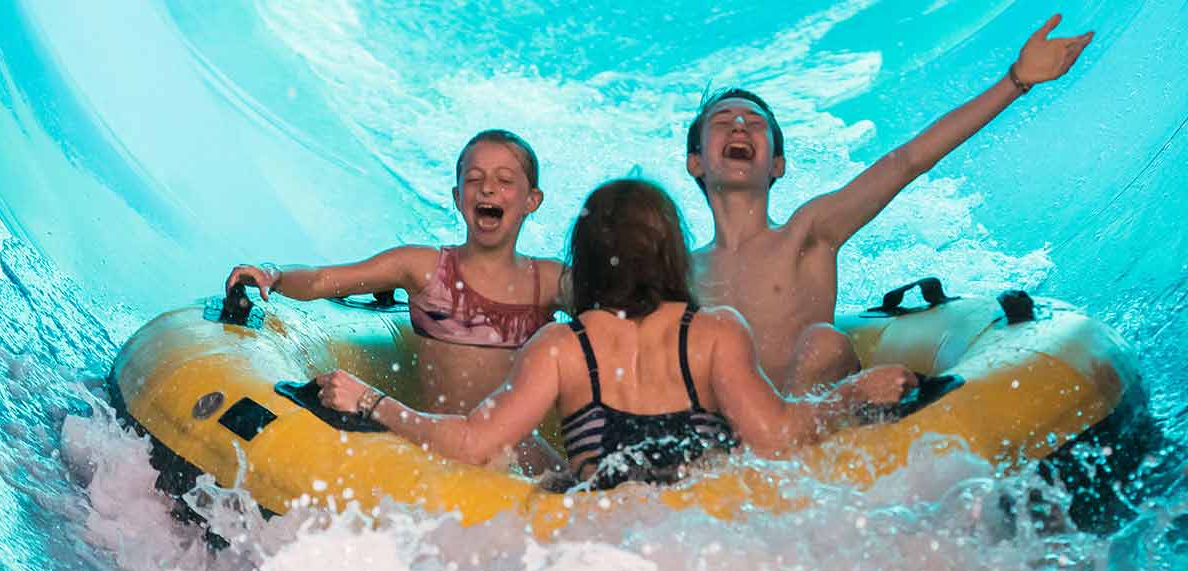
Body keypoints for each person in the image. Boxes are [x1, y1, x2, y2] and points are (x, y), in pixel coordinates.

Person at [314, 179, 915, 489]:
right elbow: (777, 436)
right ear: (673, 252)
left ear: (590, 257)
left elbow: (475, 442)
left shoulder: (560, 345)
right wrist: (854, 395)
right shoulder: (714, 331)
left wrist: (374, 403)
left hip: (600, 531)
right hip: (706, 519)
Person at [685, 15, 1094, 394]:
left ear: (778, 163)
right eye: (722, 123)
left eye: (754, 123)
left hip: (815, 415)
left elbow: (907, 161)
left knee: (823, 343)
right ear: (696, 161)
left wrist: (1016, 81)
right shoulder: (678, 271)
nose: (739, 125)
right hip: (732, 437)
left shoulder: (807, 232)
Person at [226, 129, 568, 475]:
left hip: (520, 456)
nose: (488, 188)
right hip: (437, 441)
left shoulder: (549, 281)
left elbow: (614, 315)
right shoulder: (423, 269)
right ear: (456, 195)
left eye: (505, 180)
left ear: (532, 200)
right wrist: (275, 275)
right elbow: (323, 279)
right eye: (474, 178)